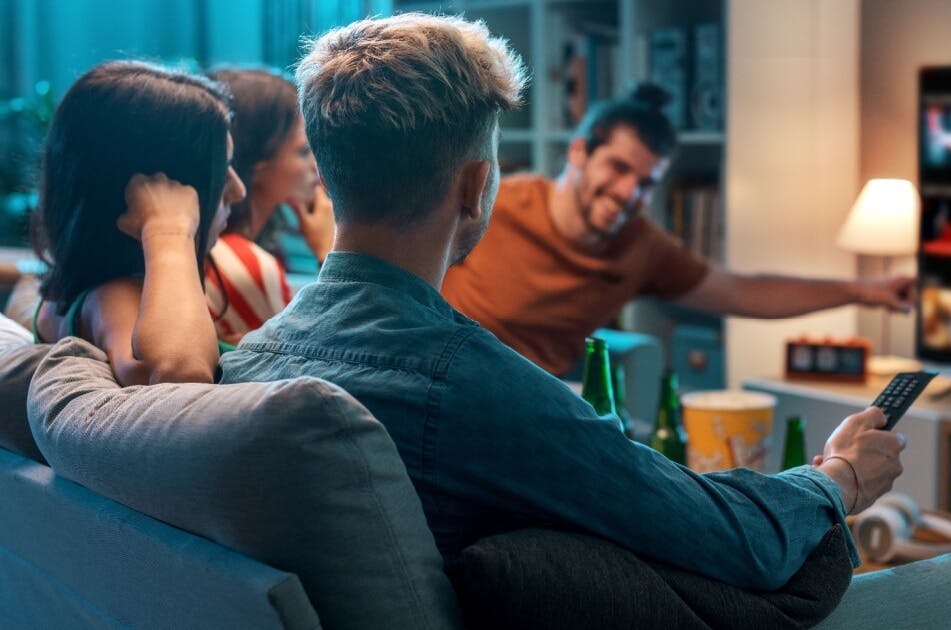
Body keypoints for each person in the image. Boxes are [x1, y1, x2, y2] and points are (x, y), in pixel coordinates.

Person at [220, 13, 905, 590]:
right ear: (476, 186)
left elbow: (737, 289)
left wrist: (859, 288)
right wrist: (839, 478)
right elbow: (736, 542)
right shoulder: (472, 382)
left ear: (329, 170)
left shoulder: (245, 363)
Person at [442, 84, 916, 376]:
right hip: (444, 372)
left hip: (534, 403)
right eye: (619, 168)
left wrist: (863, 290)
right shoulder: (499, 200)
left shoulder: (641, 247)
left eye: (646, 182)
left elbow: (744, 293)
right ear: (580, 152)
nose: (630, 193)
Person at [31, 61, 245, 385]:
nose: (238, 190)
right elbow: (179, 373)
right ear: (156, 190)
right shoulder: (112, 295)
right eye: (221, 172)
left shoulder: (70, 294)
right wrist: (168, 229)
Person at [205, 68, 334, 346]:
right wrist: (329, 252)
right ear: (257, 166)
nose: (316, 164)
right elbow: (319, 355)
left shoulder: (234, 250)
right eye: (302, 152)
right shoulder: (242, 263)